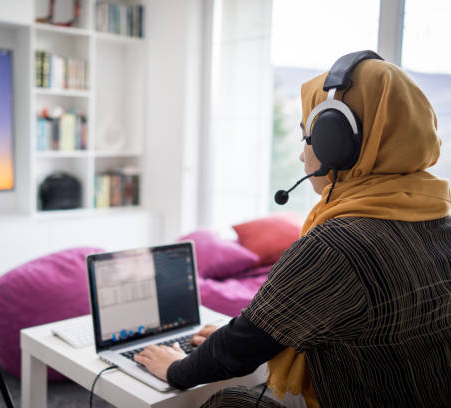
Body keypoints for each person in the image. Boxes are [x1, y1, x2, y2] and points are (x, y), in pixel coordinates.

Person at [134, 54, 451, 407]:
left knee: (229, 402)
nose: (303, 156)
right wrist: (236, 336)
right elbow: (275, 325)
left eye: (308, 138)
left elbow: (240, 349)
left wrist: (175, 368)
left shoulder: (336, 246)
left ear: (338, 145)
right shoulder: (440, 216)